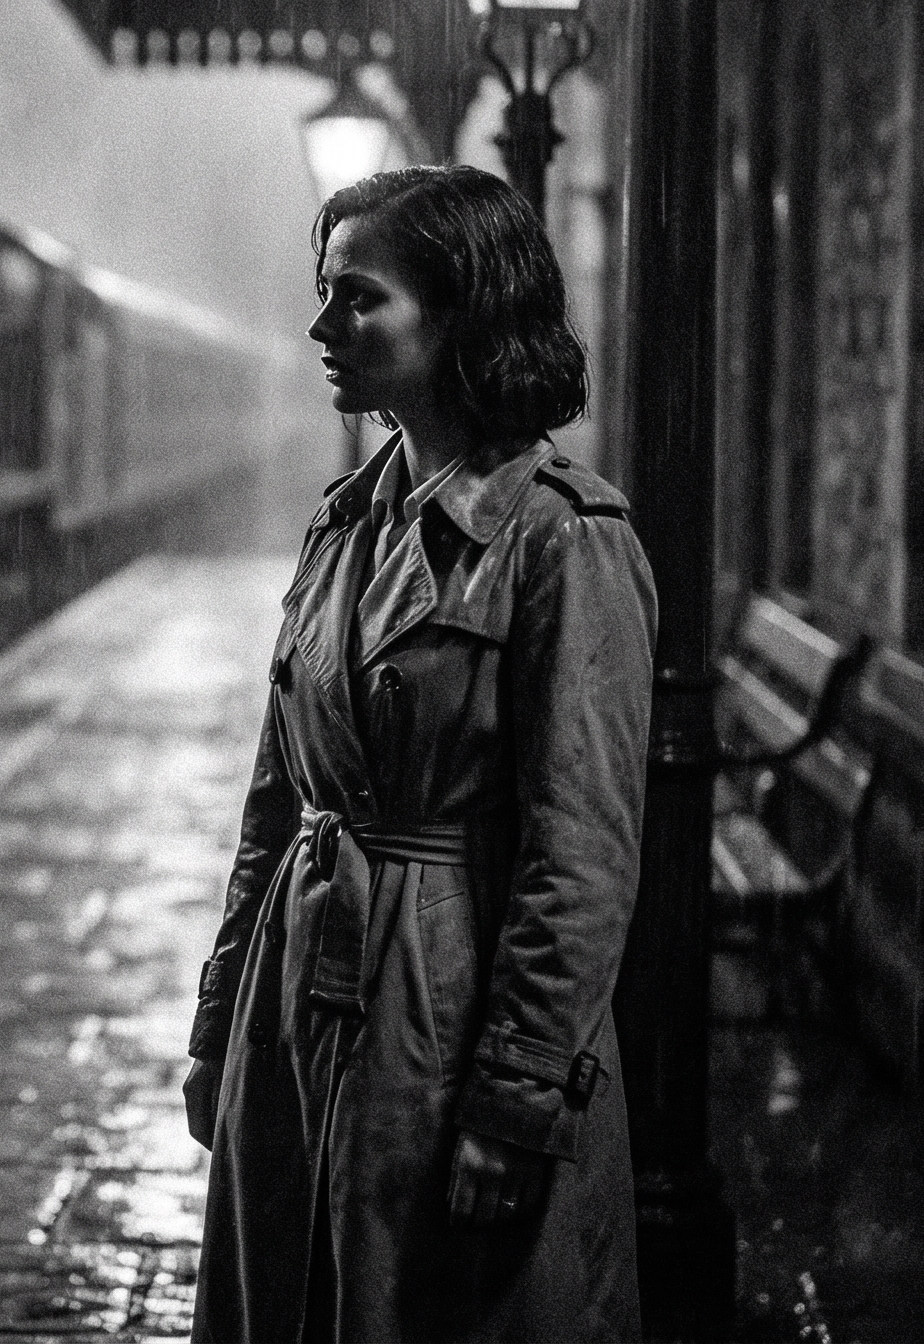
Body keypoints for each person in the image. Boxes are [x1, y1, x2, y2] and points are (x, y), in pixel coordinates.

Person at [183, 165, 654, 1341]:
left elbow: (580, 853)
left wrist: (516, 1095)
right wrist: (219, 1017)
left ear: (460, 316)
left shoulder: (560, 541)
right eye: (324, 294)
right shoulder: (347, 522)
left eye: (358, 299)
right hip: (294, 1001)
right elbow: (275, 805)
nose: (321, 326)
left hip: (441, 1006)